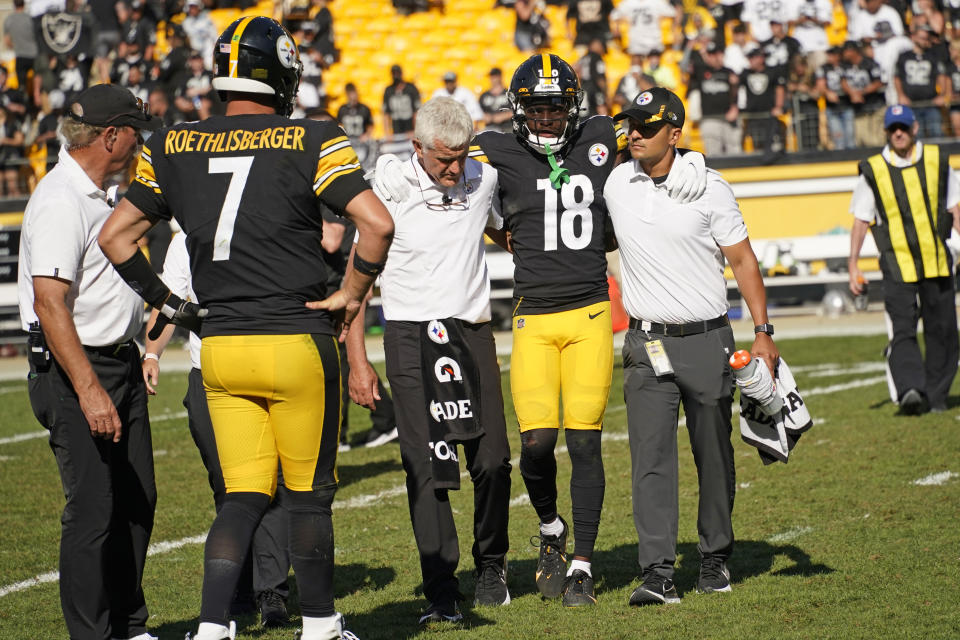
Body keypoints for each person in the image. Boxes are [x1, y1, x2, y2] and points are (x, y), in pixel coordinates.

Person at [98, 16, 394, 640]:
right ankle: (319, 624)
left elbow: (114, 236)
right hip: (294, 341)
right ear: (280, 73)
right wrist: (350, 293)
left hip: (223, 348)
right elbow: (378, 224)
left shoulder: (171, 145)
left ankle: (212, 628)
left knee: (241, 495)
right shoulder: (314, 136)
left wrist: (170, 306)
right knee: (308, 496)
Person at [375, 53, 706, 607]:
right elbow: (438, 166)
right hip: (532, 312)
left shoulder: (603, 133)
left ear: (572, 106)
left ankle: (582, 565)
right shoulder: (494, 148)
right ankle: (551, 525)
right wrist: (390, 170)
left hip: (591, 310)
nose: (548, 118)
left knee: (584, 443)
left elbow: (660, 138)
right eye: (537, 108)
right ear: (518, 108)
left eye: (556, 107)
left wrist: (692, 162)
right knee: (534, 447)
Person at [603, 86, 779, 606]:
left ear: (675, 134)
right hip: (646, 340)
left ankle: (715, 558)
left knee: (714, 454)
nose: (634, 133)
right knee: (650, 460)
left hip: (707, 339)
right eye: (631, 124)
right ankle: (657, 571)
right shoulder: (616, 183)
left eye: (648, 126)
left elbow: (744, 261)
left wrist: (763, 333)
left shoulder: (711, 187)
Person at [350, 97, 512, 624]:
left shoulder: (481, 179)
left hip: (471, 330)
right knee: (425, 468)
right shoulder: (388, 190)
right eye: (443, 159)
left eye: (461, 156)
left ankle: (491, 563)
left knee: (491, 459)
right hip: (409, 334)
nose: (454, 168)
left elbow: (496, 228)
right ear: (416, 147)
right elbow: (359, 279)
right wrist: (357, 358)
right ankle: (441, 591)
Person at [17, 83, 161, 640]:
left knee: (135, 498)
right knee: (93, 510)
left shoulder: (96, 195)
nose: (140, 143)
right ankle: (92, 634)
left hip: (116, 364)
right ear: (110, 136)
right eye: (135, 132)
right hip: (78, 371)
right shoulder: (59, 199)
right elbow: (50, 303)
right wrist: (89, 389)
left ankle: (129, 624)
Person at [141, 232, 293, 628]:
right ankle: (238, 587)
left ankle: (272, 592)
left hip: (260, 368)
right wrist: (151, 353)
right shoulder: (183, 242)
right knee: (226, 486)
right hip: (206, 375)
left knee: (268, 484)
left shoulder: (259, 223)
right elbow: (169, 302)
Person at [848, 104, 959, 415]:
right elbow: (860, 220)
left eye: (903, 127)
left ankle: (936, 396)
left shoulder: (938, 161)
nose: (898, 133)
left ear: (914, 129)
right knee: (902, 329)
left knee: (943, 330)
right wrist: (853, 265)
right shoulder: (873, 169)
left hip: (937, 260)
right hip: (897, 264)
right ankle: (911, 388)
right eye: (892, 128)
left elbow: (955, 209)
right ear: (886, 132)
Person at [894, 25, 950, 140]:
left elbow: (941, 76)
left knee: (936, 134)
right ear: (913, 37)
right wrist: (901, 96)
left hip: (930, 103)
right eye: (922, 38)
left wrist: (942, 95)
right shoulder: (904, 57)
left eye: (926, 38)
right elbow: (896, 77)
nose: (925, 41)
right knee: (915, 135)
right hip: (911, 104)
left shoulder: (933, 56)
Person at [382, 64, 420, 138]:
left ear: (401, 73)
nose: (395, 75)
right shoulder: (388, 90)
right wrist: (387, 133)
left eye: (397, 73)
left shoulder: (411, 88)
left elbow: (416, 111)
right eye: (394, 73)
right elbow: (386, 113)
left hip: (410, 130)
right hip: (396, 132)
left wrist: (415, 131)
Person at [479, 67, 513, 133]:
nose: (492, 79)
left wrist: (503, 116)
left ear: (500, 77)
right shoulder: (484, 95)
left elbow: (515, 110)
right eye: (491, 77)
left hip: (507, 128)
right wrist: (485, 116)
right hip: (489, 128)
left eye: (494, 76)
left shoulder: (508, 93)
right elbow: (478, 112)